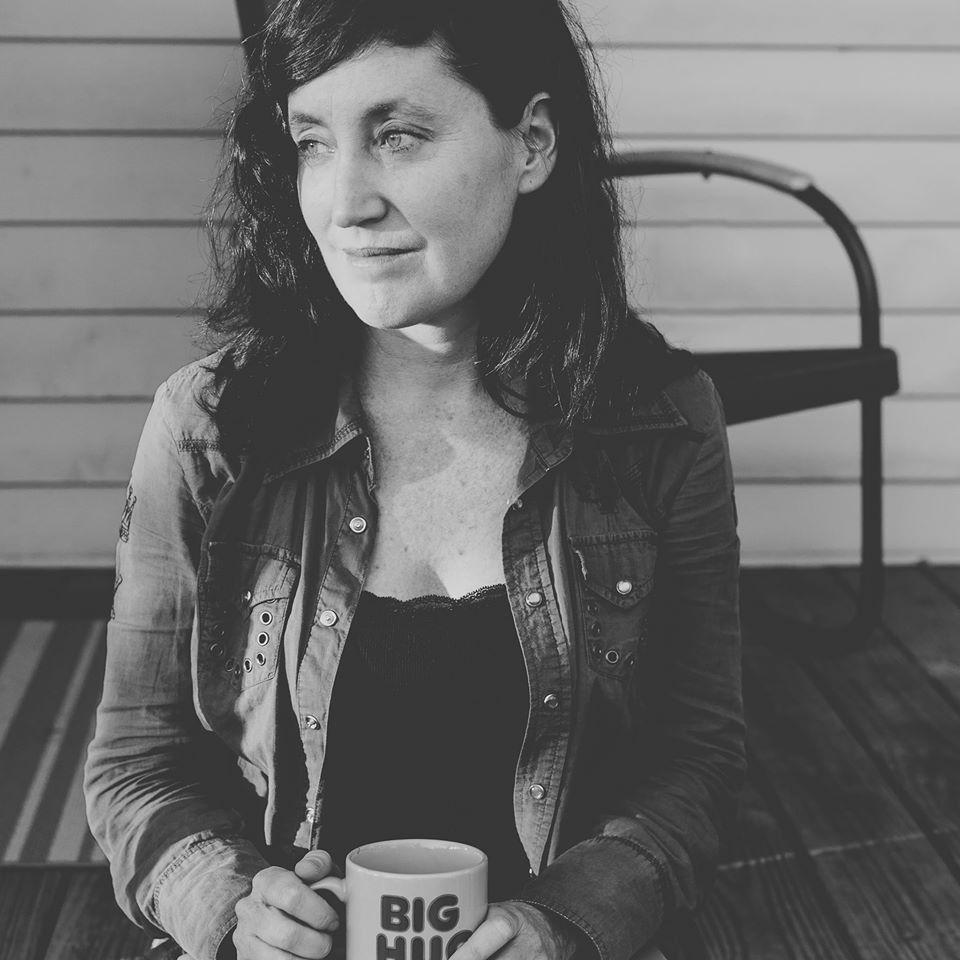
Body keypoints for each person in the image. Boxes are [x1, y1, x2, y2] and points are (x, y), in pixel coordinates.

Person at [83, 1, 745, 959]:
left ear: (533, 143)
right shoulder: (210, 430)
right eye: (313, 142)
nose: (344, 200)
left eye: (398, 135)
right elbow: (137, 764)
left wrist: (565, 922)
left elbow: (698, 760)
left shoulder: (662, 426)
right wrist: (232, 908)